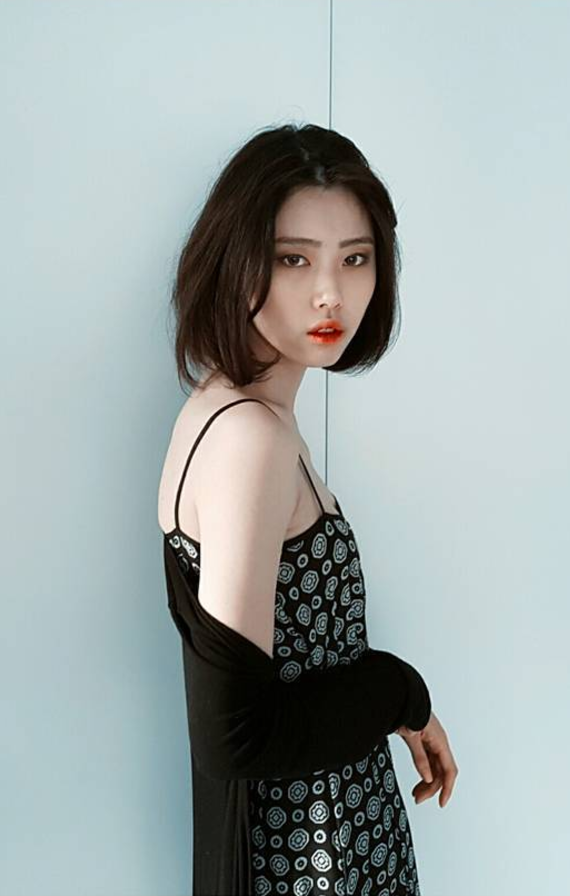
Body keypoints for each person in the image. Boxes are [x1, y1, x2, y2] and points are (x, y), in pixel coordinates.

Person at [158, 123, 458, 895]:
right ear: (236, 260)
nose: (331, 293)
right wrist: (398, 691)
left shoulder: (239, 411)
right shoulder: (248, 440)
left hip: (338, 840)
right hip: (308, 860)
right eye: (294, 258)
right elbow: (235, 735)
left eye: (354, 258)